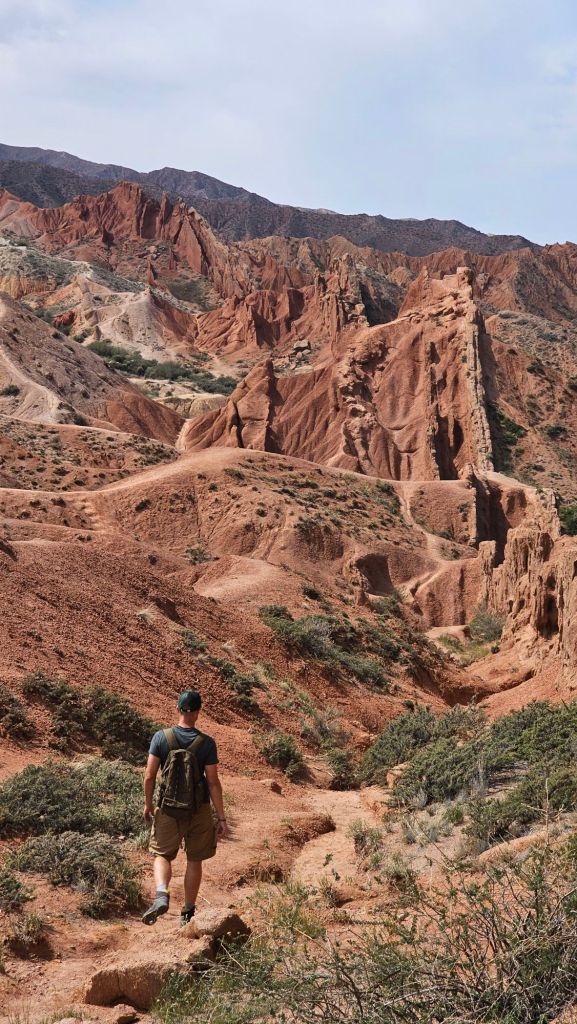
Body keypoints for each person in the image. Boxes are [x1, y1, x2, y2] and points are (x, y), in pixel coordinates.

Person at [142, 689, 228, 926]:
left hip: (167, 808)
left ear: (178, 709)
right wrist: (220, 817)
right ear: (199, 712)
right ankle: (187, 913)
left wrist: (148, 805)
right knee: (194, 860)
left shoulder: (161, 737)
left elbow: (149, 776)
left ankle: (161, 894)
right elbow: (212, 782)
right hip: (197, 810)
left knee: (162, 855)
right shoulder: (207, 743)